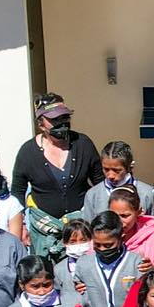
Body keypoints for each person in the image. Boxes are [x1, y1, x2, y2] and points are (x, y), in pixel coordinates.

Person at [11, 94, 101, 259]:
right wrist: (22, 225)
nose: (61, 122)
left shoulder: (83, 144)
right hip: (44, 233)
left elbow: (100, 184)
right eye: (54, 119)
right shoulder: (27, 152)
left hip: (82, 231)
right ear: (41, 124)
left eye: (65, 117)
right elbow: (17, 192)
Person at [75, 208, 145, 307]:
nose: (102, 249)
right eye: (97, 245)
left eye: (108, 245)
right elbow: (82, 301)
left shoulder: (137, 263)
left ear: (121, 238)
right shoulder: (84, 265)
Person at [80, 140, 154, 221]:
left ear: (130, 167)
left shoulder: (147, 194)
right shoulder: (93, 195)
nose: (111, 175)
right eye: (106, 169)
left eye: (117, 170)